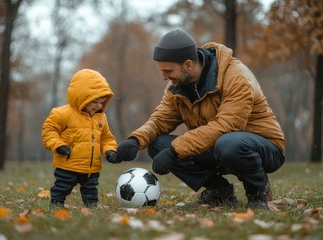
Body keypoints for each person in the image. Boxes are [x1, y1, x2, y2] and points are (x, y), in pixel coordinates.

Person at [116, 29, 285, 210]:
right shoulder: (176, 86)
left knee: (228, 143)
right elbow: (159, 120)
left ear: (188, 64)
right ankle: (219, 191)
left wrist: (175, 151)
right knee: (158, 145)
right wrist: (135, 140)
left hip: (264, 147)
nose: (164, 77)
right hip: (218, 146)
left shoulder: (236, 76)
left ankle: (258, 194)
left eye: (168, 71)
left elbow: (227, 126)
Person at [42, 69, 119, 209]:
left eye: (102, 102)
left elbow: (106, 138)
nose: (98, 106)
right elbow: (49, 131)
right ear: (81, 97)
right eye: (94, 101)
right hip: (68, 164)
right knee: (62, 187)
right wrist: (58, 145)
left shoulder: (101, 117)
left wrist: (110, 151)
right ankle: (56, 204)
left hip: (91, 168)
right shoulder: (63, 113)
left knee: (90, 190)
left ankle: (91, 206)